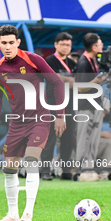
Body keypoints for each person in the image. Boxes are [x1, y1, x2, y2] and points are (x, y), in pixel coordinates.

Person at [0, 25, 65, 221]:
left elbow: (57, 83)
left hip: (40, 119)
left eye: (11, 43)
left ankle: (27, 214)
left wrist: (60, 115)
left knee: (31, 161)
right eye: (3, 43)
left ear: (18, 43)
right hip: (16, 123)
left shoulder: (33, 60)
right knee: (9, 169)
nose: (7, 46)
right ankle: (12, 214)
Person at [41, 32, 77, 180]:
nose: (65, 47)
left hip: (70, 104)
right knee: (49, 138)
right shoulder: (49, 61)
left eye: (68, 45)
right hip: (52, 103)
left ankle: (66, 171)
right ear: (56, 45)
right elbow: (56, 78)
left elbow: (77, 81)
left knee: (68, 139)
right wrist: (69, 80)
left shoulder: (73, 63)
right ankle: (45, 171)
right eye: (62, 44)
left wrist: (66, 79)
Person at [75, 33, 107, 181]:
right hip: (84, 106)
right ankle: (81, 170)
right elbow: (80, 88)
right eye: (100, 45)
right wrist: (97, 81)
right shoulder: (83, 62)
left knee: (92, 139)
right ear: (94, 47)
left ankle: (90, 168)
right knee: (83, 139)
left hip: (94, 105)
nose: (102, 47)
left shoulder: (94, 60)